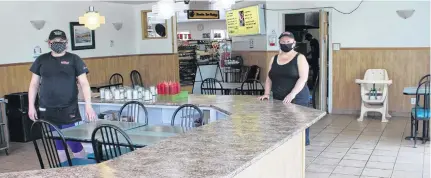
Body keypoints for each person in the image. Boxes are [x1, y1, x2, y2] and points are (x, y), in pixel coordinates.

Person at [28, 29, 96, 162]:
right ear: (49, 43)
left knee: (73, 142)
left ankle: (84, 169)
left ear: (66, 43)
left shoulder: (74, 59)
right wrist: (31, 106)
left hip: (68, 108)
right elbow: (33, 85)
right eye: (55, 42)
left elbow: (84, 84)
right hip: (47, 108)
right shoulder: (41, 60)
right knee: (57, 142)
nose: (58, 43)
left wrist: (89, 106)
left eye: (61, 41)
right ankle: (62, 171)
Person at [258, 31, 311, 145]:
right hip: (279, 98)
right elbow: (269, 77)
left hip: (298, 98)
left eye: (288, 41)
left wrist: (292, 94)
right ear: (279, 43)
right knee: (282, 126)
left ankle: (300, 149)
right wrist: (266, 94)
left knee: (298, 126)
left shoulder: (300, 58)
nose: (285, 43)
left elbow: (303, 78)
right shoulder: (274, 58)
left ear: (294, 43)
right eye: (282, 41)